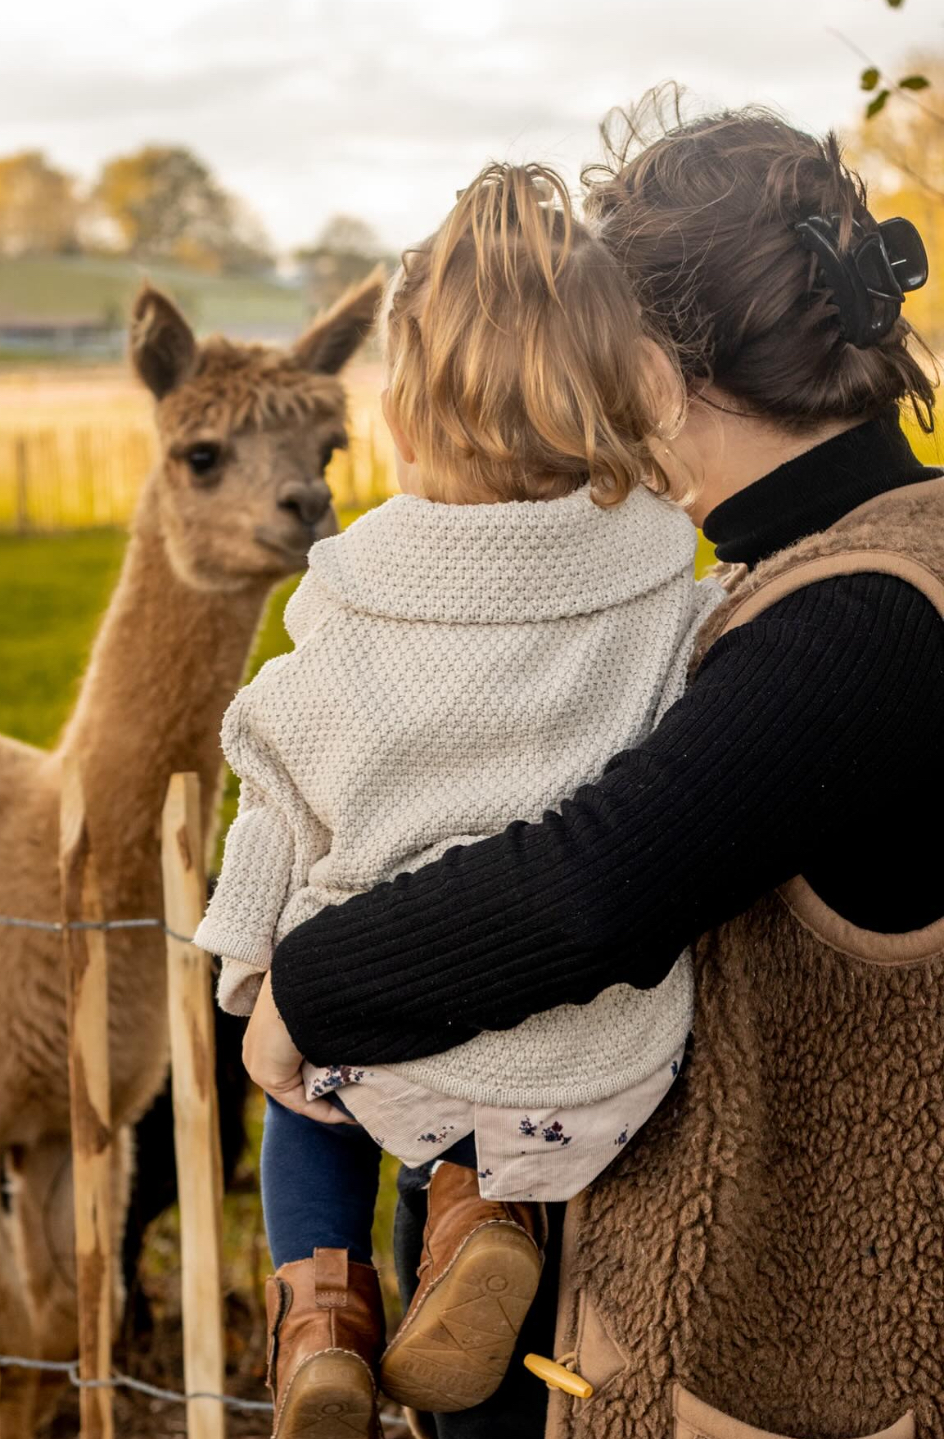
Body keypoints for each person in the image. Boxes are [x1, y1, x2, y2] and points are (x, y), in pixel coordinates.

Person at [249, 97, 944, 1438]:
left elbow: (591, 885)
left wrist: (305, 985)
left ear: (649, 362)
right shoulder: (845, 565)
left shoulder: (859, 617)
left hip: (795, 1364)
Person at [195, 160, 723, 1438]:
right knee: (489, 1135)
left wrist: (243, 959)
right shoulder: (667, 580)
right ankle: (480, 1209)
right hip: (597, 1064)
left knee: (308, 1087)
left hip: (389, 1040)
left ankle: (324, 1311)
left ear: (410, 411)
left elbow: (277, 781)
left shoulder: (365, 586)